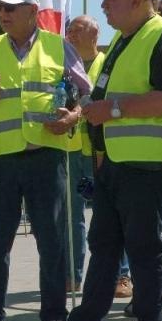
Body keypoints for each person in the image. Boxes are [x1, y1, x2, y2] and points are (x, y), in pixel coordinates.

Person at [35, 0, 162, 321]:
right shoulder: (124, 40)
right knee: (104, 247)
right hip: (116, 164)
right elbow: (100, 100)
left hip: (148, 163)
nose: (103, 4)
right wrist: (82, 116)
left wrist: (114, 110)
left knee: (143, 249)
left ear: (137, 0)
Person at [0, 0, 88, 321]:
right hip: (1, 160)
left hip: (47, 157)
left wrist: (72, 118)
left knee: (52, 240)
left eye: (12, 7)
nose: (3, 13)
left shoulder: (58, 46)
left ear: (34, 12)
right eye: (0, 7)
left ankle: (54, 317)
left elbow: (86, 94)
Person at [65, 15, 102, 289]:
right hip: (72, 149)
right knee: (71, 215)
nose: (71, 34)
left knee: (108, 214)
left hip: (101, 150)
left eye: (78, 29)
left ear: (95, 34)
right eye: (69, 30)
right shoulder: (64, 66)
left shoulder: (106, 63)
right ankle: (73, 274)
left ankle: (121, 275)